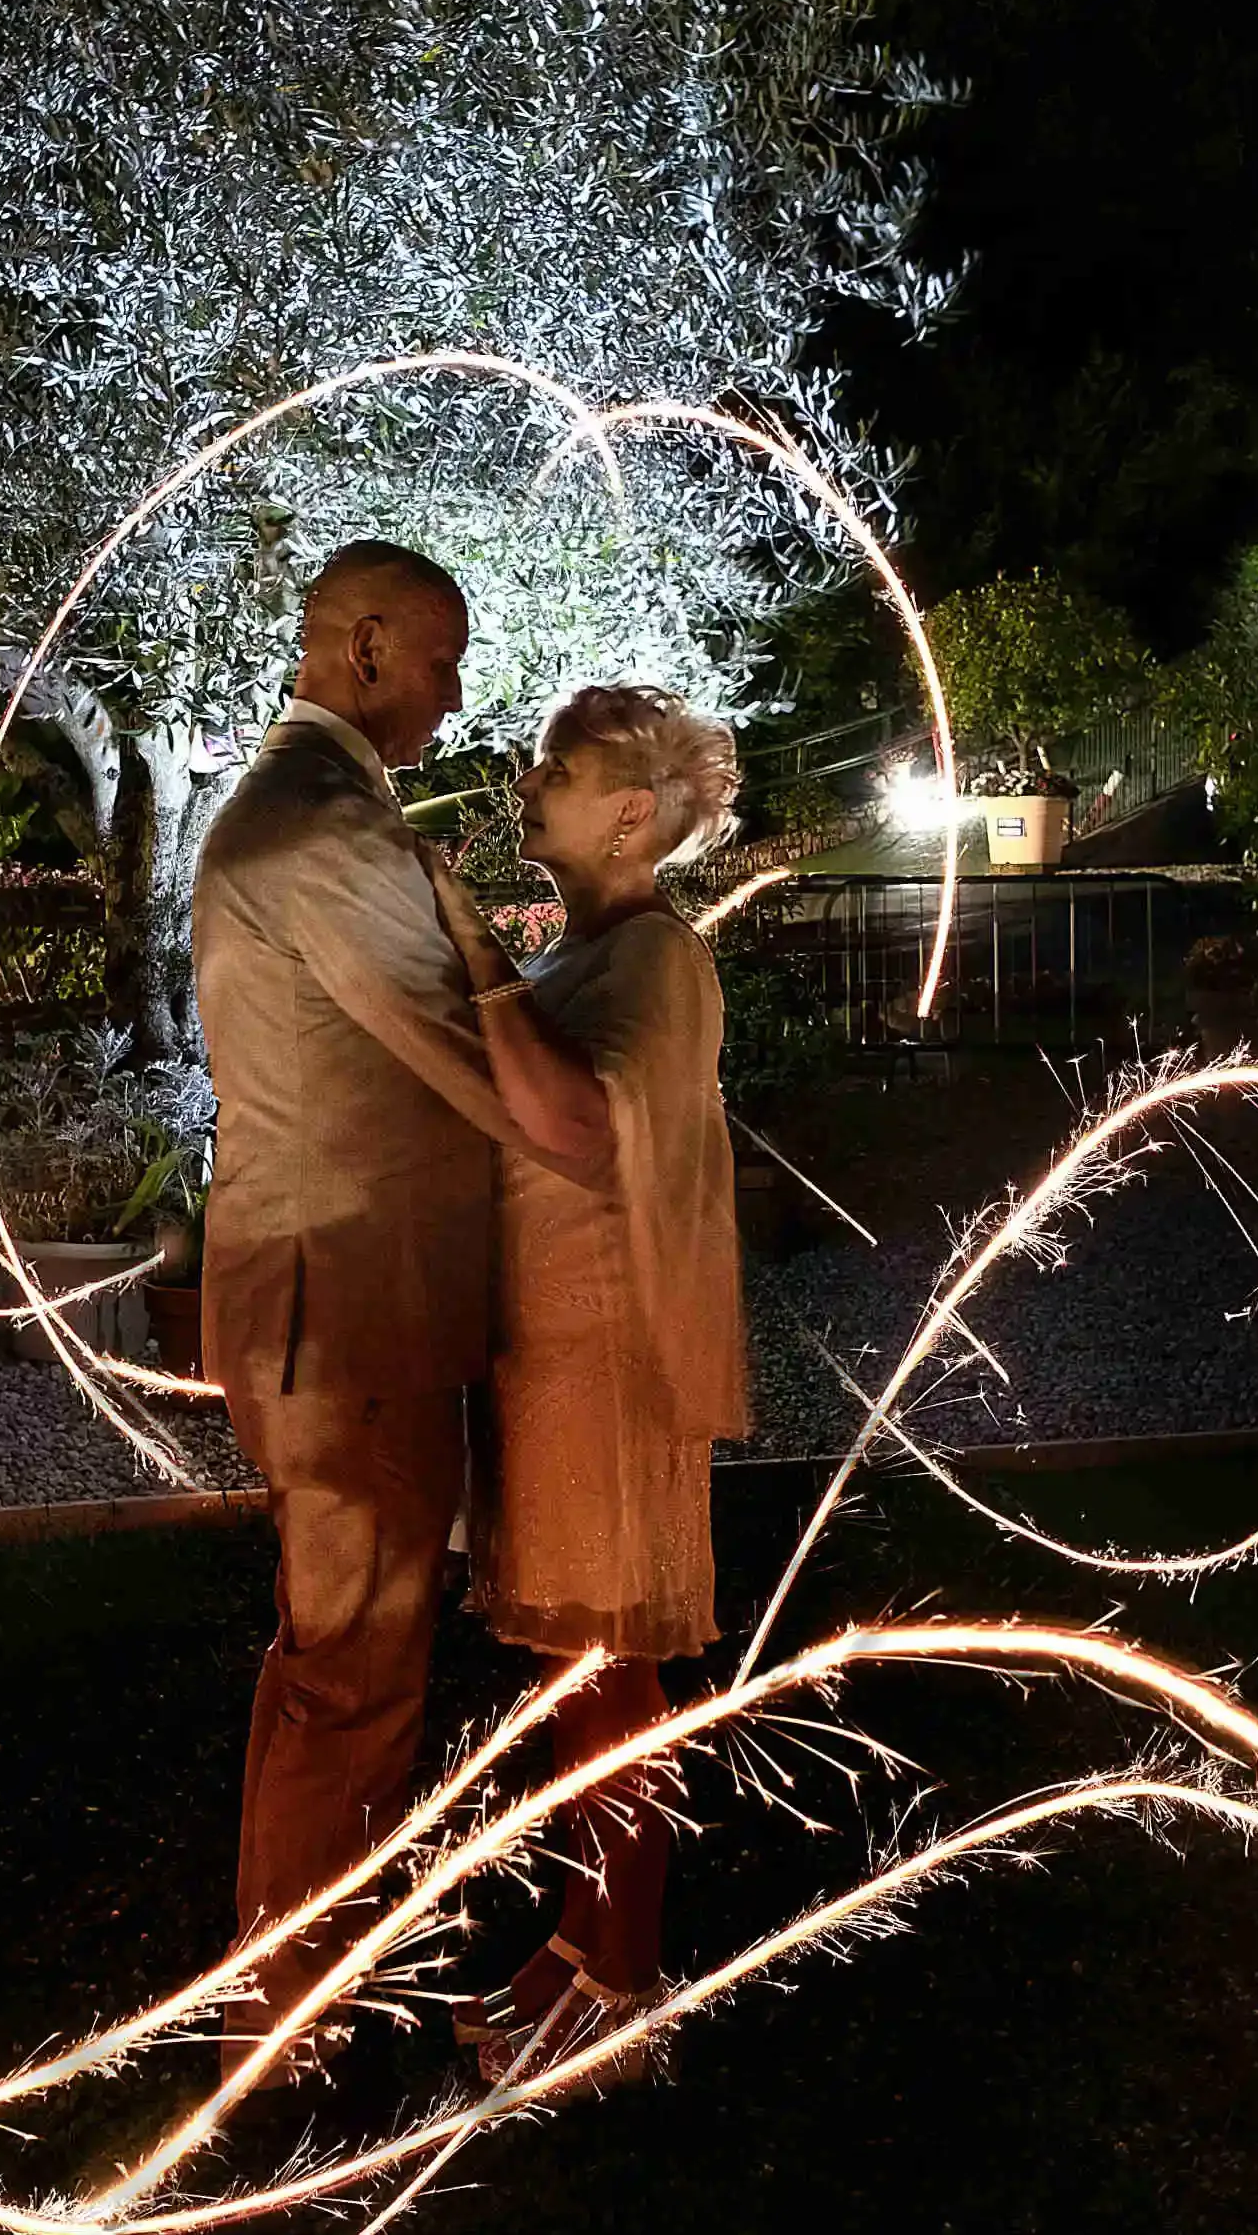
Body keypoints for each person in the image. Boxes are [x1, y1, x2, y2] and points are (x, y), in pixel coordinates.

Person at [189, 539, 525, 2081]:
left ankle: (295, 1961)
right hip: (352, 1308)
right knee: (357, 1664)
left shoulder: (304, 812)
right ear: (371, 645)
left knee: (336, 1653)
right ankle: (305, 2008)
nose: (456, 703)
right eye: (445, 665)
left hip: (321, 1292)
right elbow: (472, 1052)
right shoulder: (324, 827)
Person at [416, 684, 750, 2080]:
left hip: (606, 1370)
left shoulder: (661, 959)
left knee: (611, 1685)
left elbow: (575, 1121)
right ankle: (579, 1943)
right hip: (549, 1362)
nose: (525, 778)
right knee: (576, 1685)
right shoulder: (598, 952)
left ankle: (622, 1984)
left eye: (559, 767)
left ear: (630, 814)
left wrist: (473, 945)